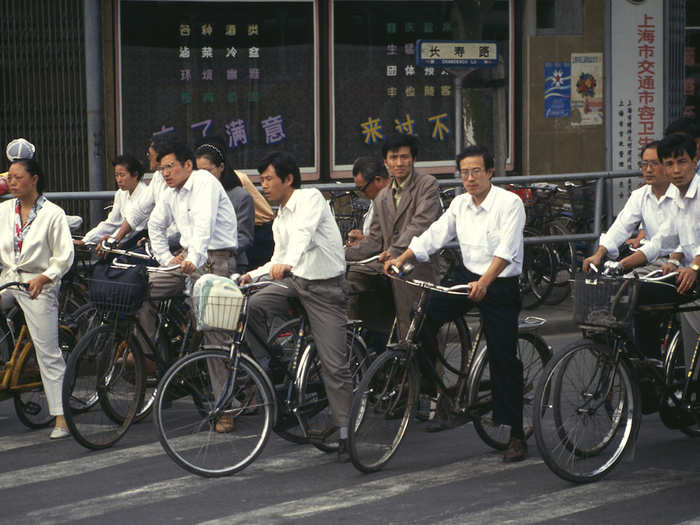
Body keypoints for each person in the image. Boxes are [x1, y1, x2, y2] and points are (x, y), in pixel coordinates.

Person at [386, 145, 528, 462]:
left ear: (490, 172)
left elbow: (507, 251)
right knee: (419, 318)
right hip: (466, 275)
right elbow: (435, 234)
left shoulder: (509, 203)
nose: (470, 178)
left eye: (476, 171)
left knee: (503, 357)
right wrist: (403, 258)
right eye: (464, 172)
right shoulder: (460, 204)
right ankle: (446, 394)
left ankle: (517, 434)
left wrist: (486, 282)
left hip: (499, 280)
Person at [239, 151, 353, 462]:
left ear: (288, 179)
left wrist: (287, 262)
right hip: (295, 282)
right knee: (251, 306)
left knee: (334, 365)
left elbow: (302, 236)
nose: (263, 186)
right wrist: (251, 274)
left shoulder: (310, 199)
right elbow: (279, 256)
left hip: (324, 288)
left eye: (268, 179)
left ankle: (345, 430)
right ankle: (270, 365)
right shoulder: (280, 216)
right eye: (261, 180)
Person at [140, 141, 238, 432]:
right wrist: (166, 259)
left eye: (170, 166)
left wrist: (193, 258)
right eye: (161, 169)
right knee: (136, 287)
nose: (165, 173)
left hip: (215, 261)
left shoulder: (203, 181)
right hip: (187, 262)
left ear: (188, 165)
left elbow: (204, 225)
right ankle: (157, 358)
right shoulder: (171, 194)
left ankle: (226, 408)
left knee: (214, 338)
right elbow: (154, 226)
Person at [0, 159, 74, 438]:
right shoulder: (4, 210)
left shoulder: (53, 214)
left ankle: (62, 418)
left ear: (34, 179)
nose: (13, 183)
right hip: (9, 278)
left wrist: (45, 278)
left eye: (19, 178)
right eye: (10, 178)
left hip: (38, 282)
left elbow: (64, 257)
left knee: (48, 351)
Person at [615, 133, 700, 373]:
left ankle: (651, 366)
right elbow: (663, 241)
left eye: (682, 161)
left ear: (695, 162)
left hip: (695, 276)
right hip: (687, 276)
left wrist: (694, 266)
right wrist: (622, 265)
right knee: (631, 290)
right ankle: (650, 366)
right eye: (670, 163)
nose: (676, 170)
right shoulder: (679, 198)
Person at [345, 134, 441, 340]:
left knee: (421, 332)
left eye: (404, 157)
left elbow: (420, 224)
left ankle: (429, 372)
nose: (399, 163)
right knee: (352, 279)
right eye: (394, 157)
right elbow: (375, 239)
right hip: (391, 267)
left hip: (417, 266)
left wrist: (396, 251)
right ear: (386, 161)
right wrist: (343, 254)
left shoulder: (427, 185)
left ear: (413, 159)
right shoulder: (383, 196)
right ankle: (359, 342)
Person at [583, 141, 678, 272]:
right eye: (644, 164)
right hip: (652, 259)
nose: (648, 169)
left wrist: (623, 264)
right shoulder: (640, 195)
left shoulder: (681, 195)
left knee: (629, 285)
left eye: (655, 164)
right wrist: (598, 254)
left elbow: (660, 242)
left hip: (680, 260)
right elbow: (621, 226)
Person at [194, 139, 255, 272]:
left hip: (230, 260)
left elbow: (244, 238)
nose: (203, 177)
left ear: (221, 167)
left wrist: (219, 249)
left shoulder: (241, 197)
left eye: (207, 171)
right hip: (199, 258)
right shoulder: (197, 194)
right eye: (199, 173)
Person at [110, 137, 179, 248]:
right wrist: (115, 239)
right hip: (159, 241)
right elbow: (139, 210)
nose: (148, 158)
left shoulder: (180, 181)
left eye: (150, 154)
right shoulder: (157, 177)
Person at [74, 154, 148, 249]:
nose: (118, 180)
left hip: (140, 240)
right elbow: (112, 222)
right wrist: (86, 240)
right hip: (121, 239)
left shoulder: (145, 194)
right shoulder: (121, 193)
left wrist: (111, 241)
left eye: (122, 175)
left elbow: (133, 228)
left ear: (135, 174)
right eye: (116, 175)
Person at [345, 156, 391, 247]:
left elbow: (393, 241)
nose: (362, 194)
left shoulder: (393, 201)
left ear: (378, 180)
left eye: (363, 189)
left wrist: (364, 241)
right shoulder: (376, 198)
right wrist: (363, 236)